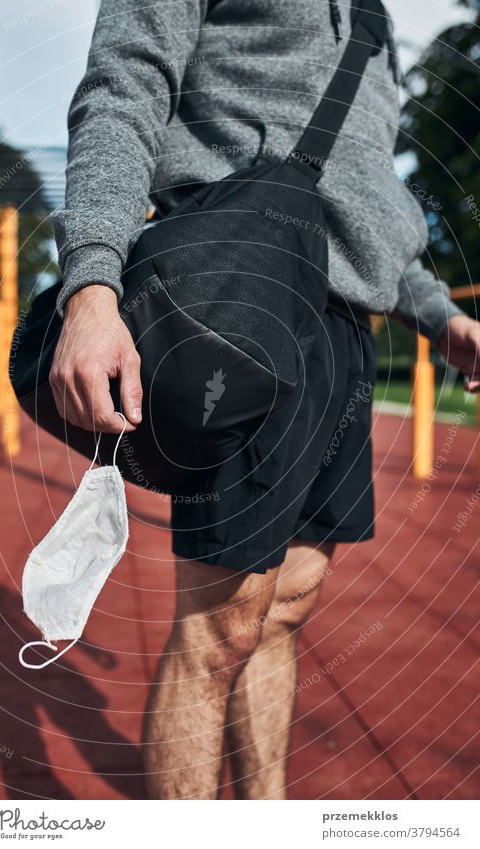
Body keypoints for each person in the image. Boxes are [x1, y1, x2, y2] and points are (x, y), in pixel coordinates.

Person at [49, 0, 480, 799]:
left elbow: (367, 203)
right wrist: (92, 283)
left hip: (345, 325)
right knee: (220, 629)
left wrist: (439, 317)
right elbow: (125, 84)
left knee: (282, 611)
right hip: (243, 304)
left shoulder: (373, 19)